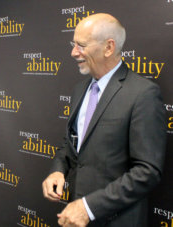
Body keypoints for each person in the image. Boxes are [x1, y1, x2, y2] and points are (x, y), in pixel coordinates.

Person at [42, 13, 166, 227]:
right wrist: (58, 170)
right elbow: (71, 145)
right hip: (75, 219)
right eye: (73, 44)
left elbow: (147, 171)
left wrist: (89, 207)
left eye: (81, 45)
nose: (73, 52)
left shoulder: (143, 94)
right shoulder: (80, 90)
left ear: (109, 47)